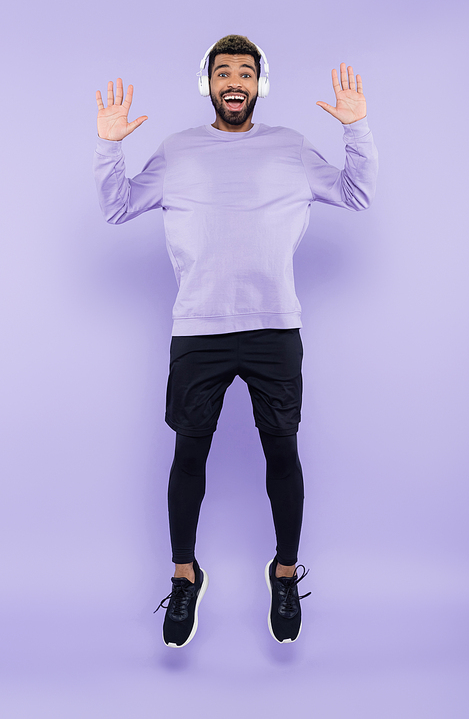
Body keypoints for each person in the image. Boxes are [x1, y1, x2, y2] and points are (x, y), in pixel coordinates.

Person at [93, 34, 378, 648]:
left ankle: (282, 573)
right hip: (199, 329)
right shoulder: (178, 152)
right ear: (208, 84)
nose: (234, 82)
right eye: (222, 72)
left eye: (245, 73)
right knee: (189, 453)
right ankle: (184, 574)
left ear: (259, 84)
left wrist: (357, 130)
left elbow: (357, 193)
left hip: (276, 326)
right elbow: (117, 207)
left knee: (283, 450)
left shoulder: (292, 149)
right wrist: (110, 143)